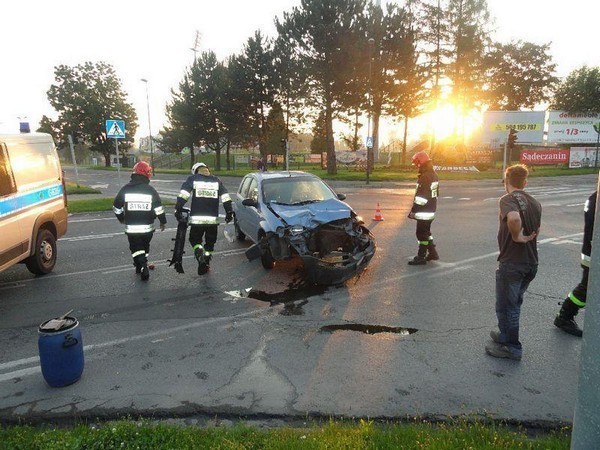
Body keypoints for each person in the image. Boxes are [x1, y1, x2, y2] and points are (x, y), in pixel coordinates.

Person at [486, 164, 541, 361]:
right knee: (514, 302)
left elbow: (514, 218)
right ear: (525, 182)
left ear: (506, 181)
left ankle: (512, 347)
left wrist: (517, 236)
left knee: (507, 306)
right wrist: (525, 238)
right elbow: (537, 230)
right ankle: (504, 335)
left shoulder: (507, 199)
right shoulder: (535, 203)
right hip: (530, 263)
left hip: (513, 263)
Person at [175, 162, 234, 275]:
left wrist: (178, 208)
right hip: (212, 221)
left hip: (197, 220)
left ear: (196, 171)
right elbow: (226, 197)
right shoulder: (216, 180)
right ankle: (206, 261)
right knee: (210, 243)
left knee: (195, 240)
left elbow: (184, 194)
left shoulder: (193, 179)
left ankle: (199, 252)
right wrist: (229, 211)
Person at [112, 161, 166, 281]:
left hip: (132, 228)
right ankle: (141, 265)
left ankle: (142, 266)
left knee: (136, 248)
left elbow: (116, 207)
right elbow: (159, 208)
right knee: (144, 247)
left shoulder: (126, 189)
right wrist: (163, 221)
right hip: (148, 228)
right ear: (146, 174)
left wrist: (121, 218)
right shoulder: (150, 190)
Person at [554, 190, 597, 337]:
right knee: (587, 288)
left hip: (592, 251)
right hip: (594, 254)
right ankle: (564, 315)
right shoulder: (596, 199)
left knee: (588, 287)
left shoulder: (595, 197)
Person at [407, 151, 439, 265]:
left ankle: (421, 256)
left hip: (424, 211)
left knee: (421, 234)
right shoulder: (433, 174)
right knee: (426, 232)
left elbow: (421, 198)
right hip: (431, 209)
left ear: (421, 162)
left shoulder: (425, 177)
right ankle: (433, 253)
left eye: (417, 163)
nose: (416, 165)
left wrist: (413, 210)